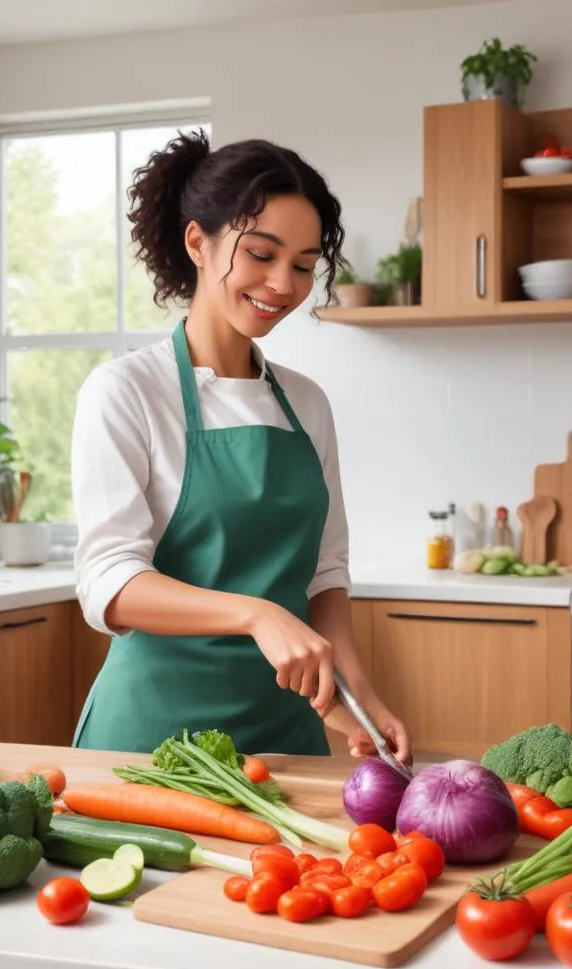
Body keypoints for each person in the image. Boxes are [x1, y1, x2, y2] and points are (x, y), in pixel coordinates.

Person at [70, 128, 412, 763]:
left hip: (283, 738)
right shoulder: (126, 391)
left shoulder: (307, 402)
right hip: (153, 739)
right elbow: (109, 584)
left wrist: (358, 697)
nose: (283, 284)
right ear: (199, 242)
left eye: (305, 265)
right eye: (260, 253)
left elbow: (324, 574)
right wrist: (257, 614)